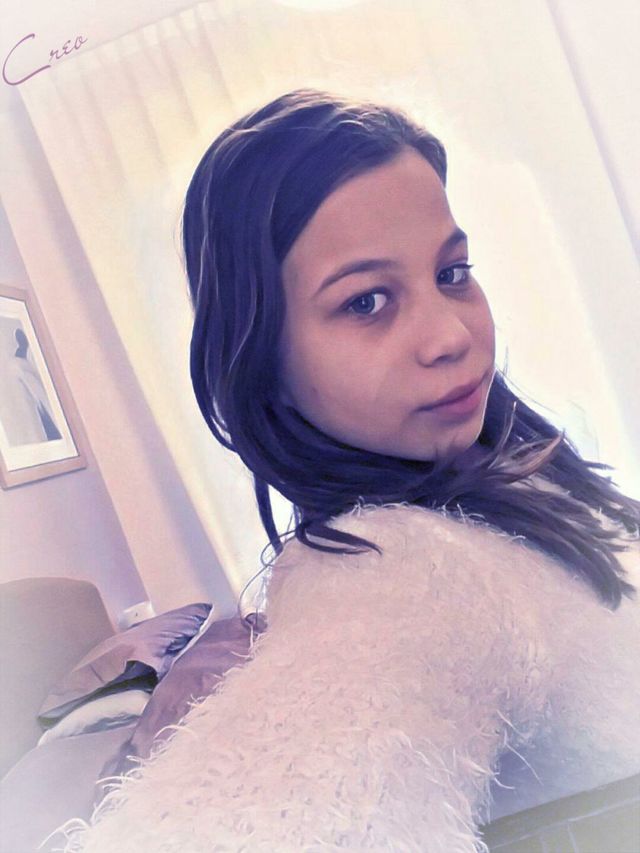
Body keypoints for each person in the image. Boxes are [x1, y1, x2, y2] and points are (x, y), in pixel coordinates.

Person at [57, 89, 640, 853]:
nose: (450, 334)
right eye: (366, 301)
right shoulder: (392, 573)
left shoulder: (507, 470)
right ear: (262, 357)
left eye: (453, 272)